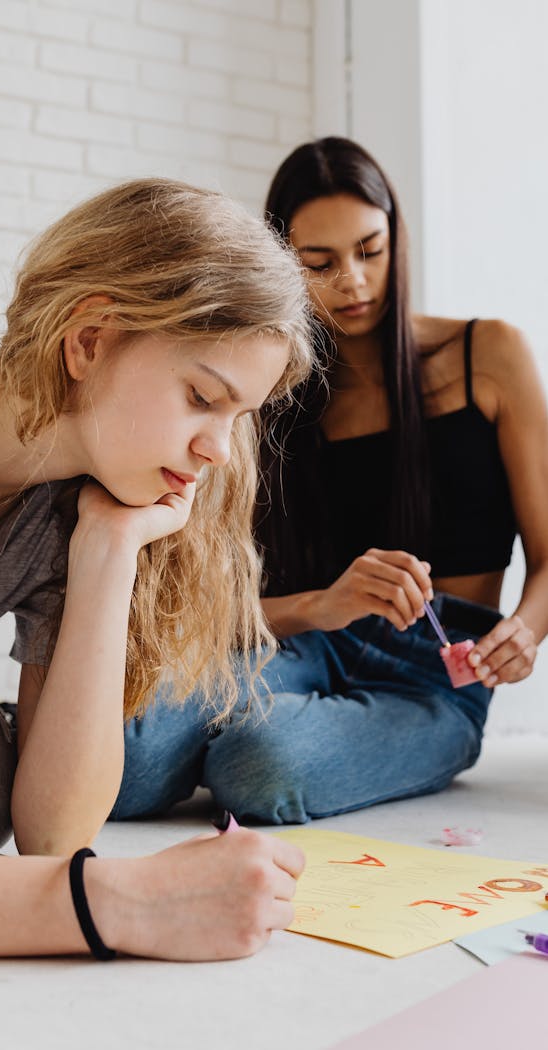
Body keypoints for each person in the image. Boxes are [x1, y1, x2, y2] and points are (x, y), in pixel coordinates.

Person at [0, 177, 313, 960]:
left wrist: (107, 553)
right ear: (89, 339)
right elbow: (67, 875)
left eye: (239, 417)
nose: (219, 451)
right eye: (202, 396)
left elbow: (55, 834)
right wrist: (115, 905)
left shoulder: (78, 501)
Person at [111, 137, 548, 826]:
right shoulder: (269, 396)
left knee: (259, 764)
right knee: (125, 759)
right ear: (284, 266)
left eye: (370, 251)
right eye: (319, 263)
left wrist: (524, 631)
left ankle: (254, 732)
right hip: (303, 640)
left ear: (398, 239)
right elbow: (228, 603)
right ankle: (253, 726)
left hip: (433, 678)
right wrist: (324, 606)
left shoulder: (487, 355)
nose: (352, 280)